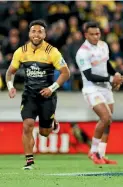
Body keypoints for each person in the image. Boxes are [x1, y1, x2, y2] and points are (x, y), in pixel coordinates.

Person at [5, 20, 71, 170]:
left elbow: (65, 73)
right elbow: (10, 72)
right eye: (33, 31)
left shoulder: (52, 52)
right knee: (27, 125)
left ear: (45, 34)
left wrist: (52, 88)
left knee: (45, 133)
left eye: (39, 31)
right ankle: (29, 162)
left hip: (48, 96)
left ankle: (52, 123)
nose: (36, 34)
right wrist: (10, 87)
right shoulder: (21, 51)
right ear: (29, 33)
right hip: (29, 95)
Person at [75, 22, 123, 165]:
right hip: (92, 89)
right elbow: (89, 76)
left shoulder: (103, 45)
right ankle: (93, 151)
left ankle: (101, 155)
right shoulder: (82, 52)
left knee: (108, 121)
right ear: (86, 35)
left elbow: (106, 64)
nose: (96, 37)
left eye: (98, 34)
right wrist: (111, 78)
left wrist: (116, 74)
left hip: (106, 88)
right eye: (92, 34)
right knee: (105, 117)